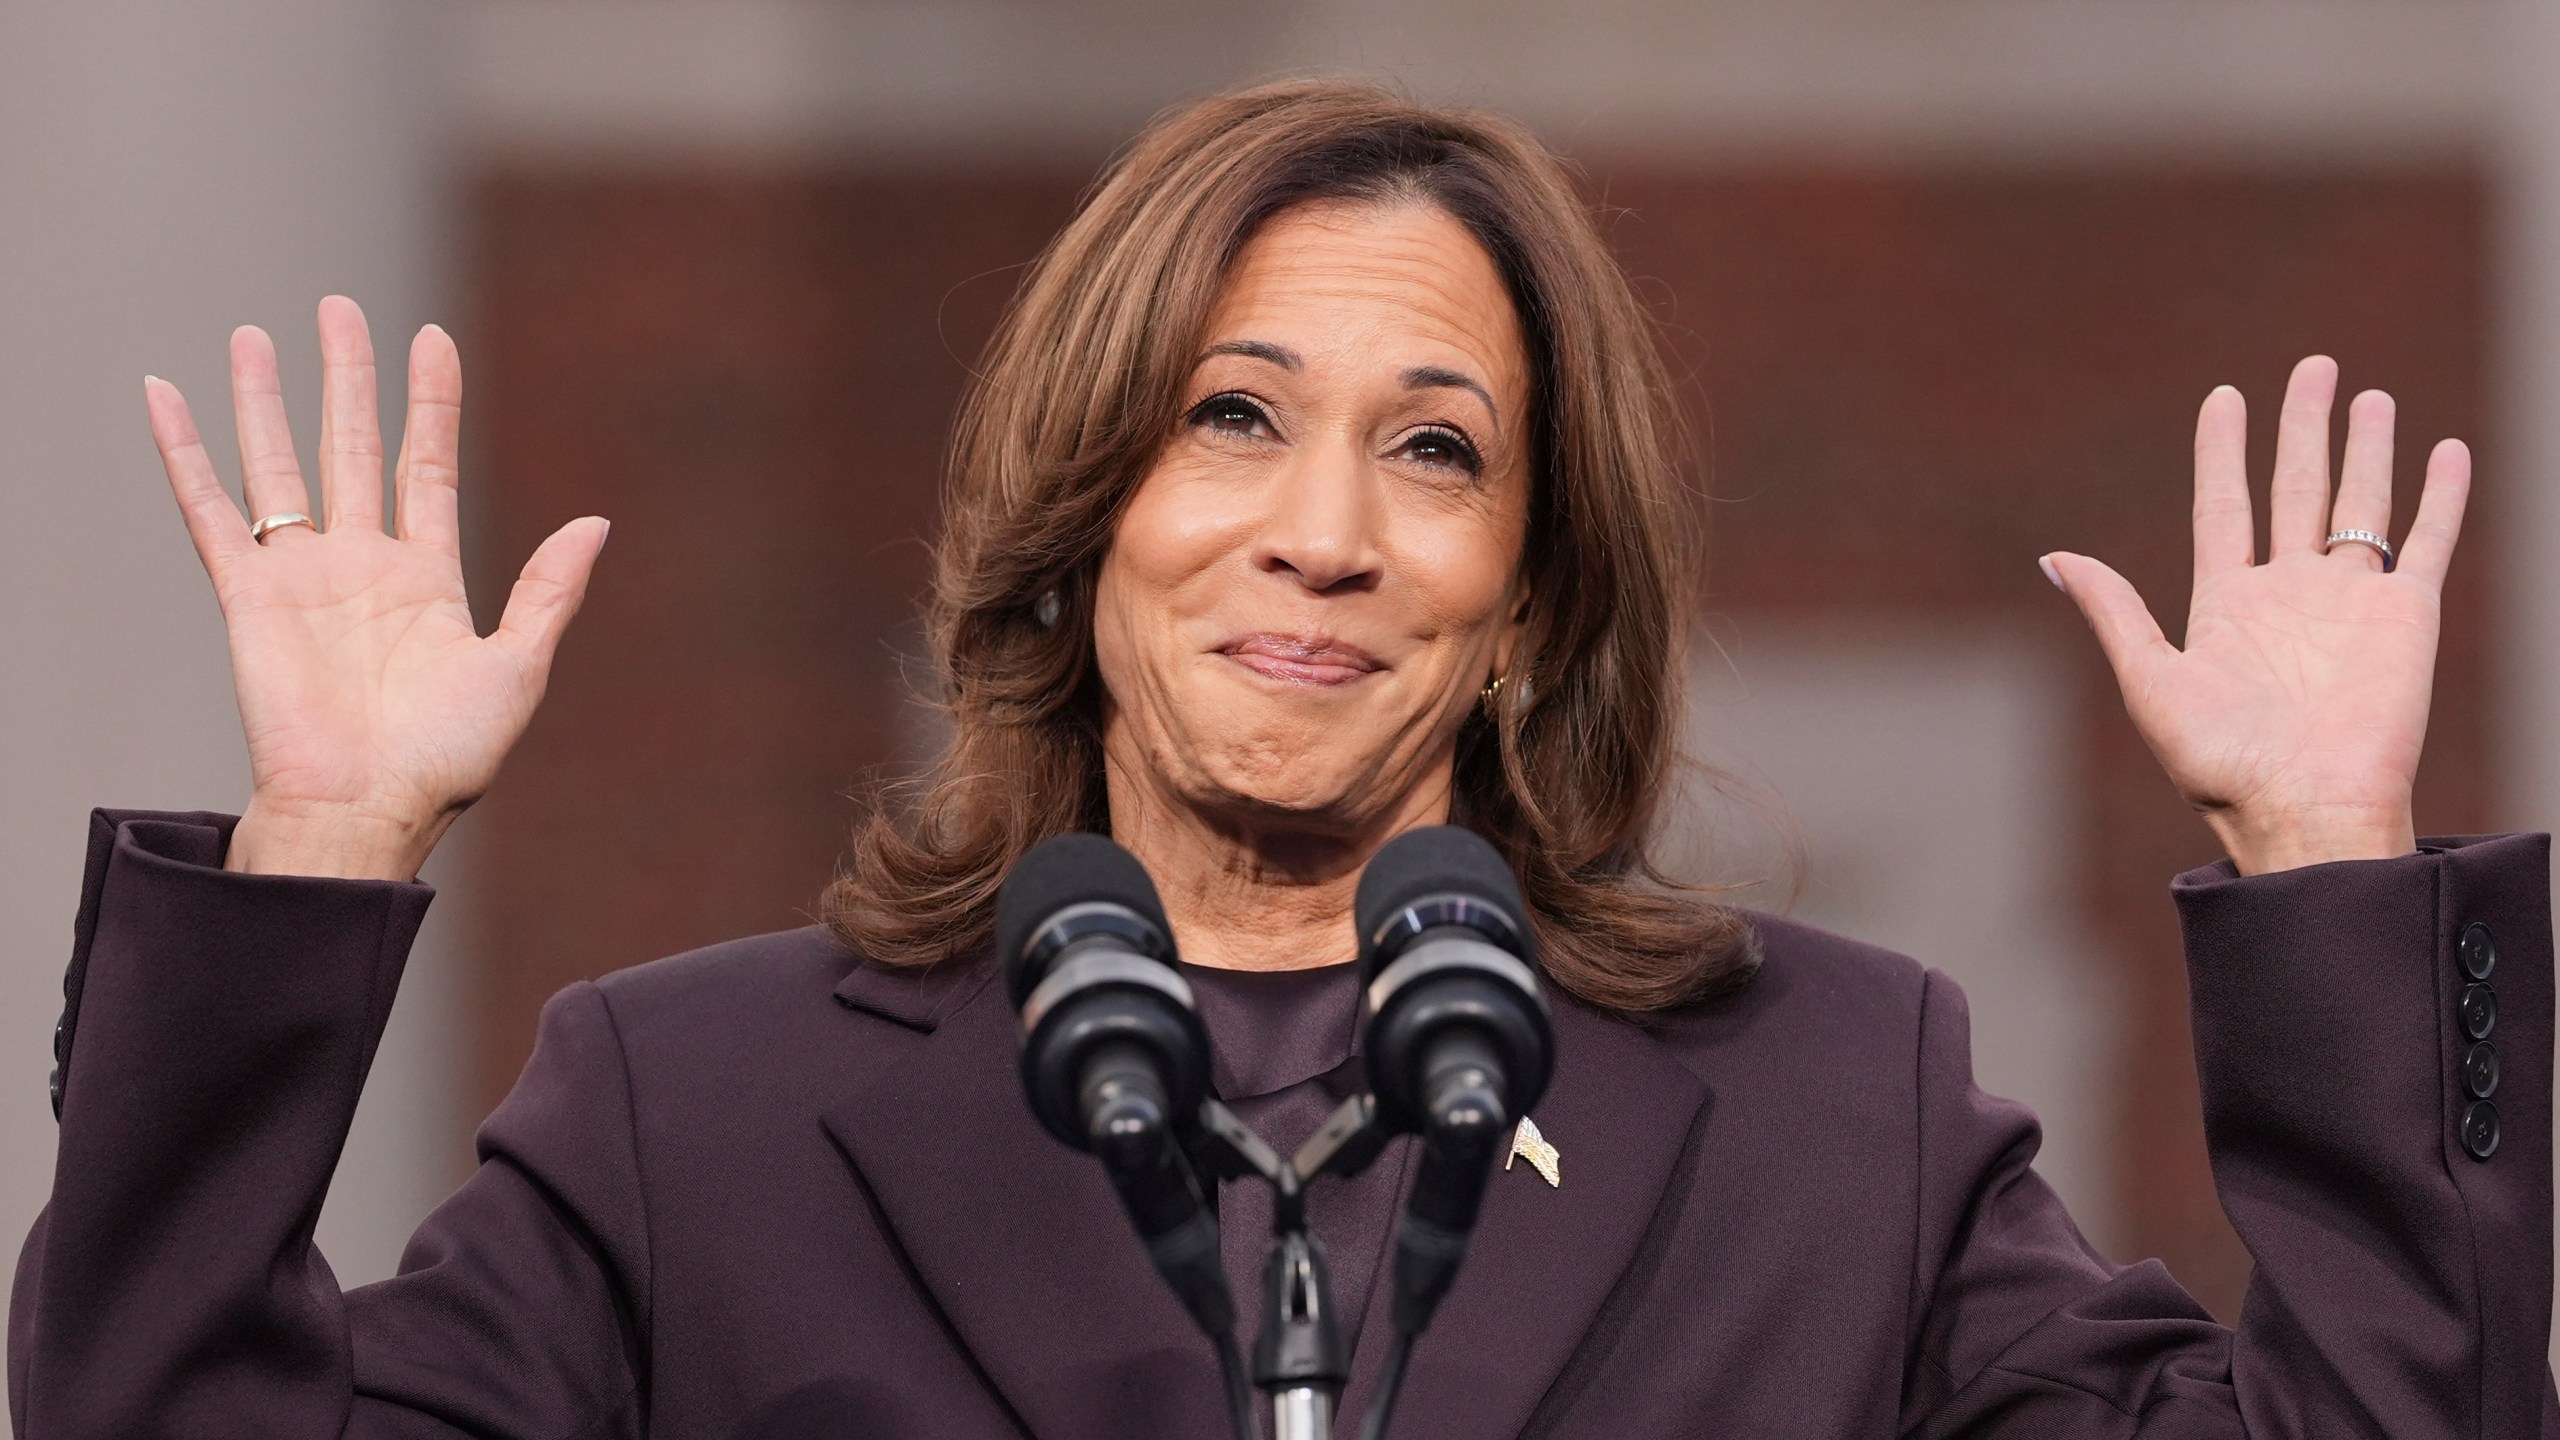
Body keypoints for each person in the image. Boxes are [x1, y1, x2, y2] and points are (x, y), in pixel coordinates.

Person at [9, 79, 2550, 1440]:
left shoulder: (1824, 1108)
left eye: (1434, 451)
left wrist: (2320, 852)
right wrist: (323, 846)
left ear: (1532, 596)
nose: (1320, 536)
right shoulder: (694, 1110)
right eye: (1230, 419)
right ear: (1083, 513)